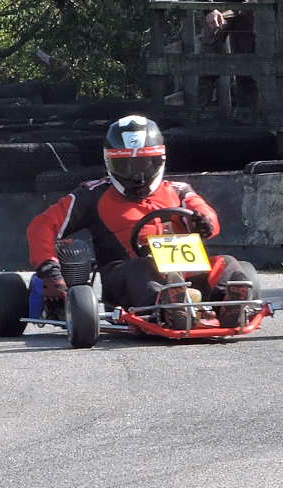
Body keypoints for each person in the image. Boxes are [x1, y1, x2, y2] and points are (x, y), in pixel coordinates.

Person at [25, 115, 259, 329]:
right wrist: (49, 267)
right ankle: (167, 306)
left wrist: (204, 222)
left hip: (187, 273)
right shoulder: (92, 195)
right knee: (142, 268)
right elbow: (43, 225)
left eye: (145, 165)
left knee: (227, 263)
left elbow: (204, 211)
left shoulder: (178, 190)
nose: (137, 176)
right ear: (110, 162)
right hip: (128, 276)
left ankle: (231, 301)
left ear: (159, 160)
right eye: (126, 166)